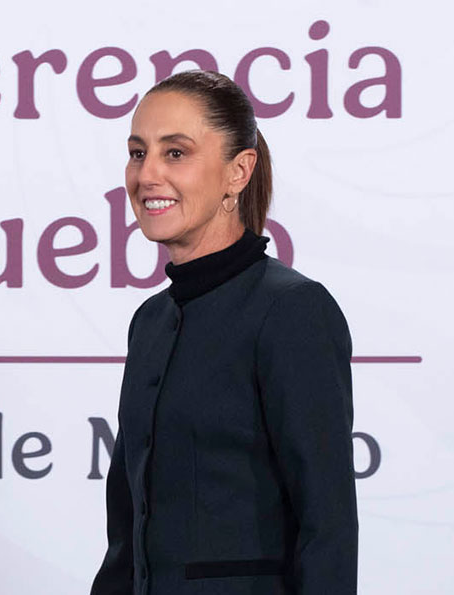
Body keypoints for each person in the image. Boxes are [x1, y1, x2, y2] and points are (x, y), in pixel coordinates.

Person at [90, 70, 358, 595]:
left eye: (175, 153)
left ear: (239, 171)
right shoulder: (150, 322)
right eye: (138, 153)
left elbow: (327, 526)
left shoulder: (291, 310)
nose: (147, 174)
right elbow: (126, 540)